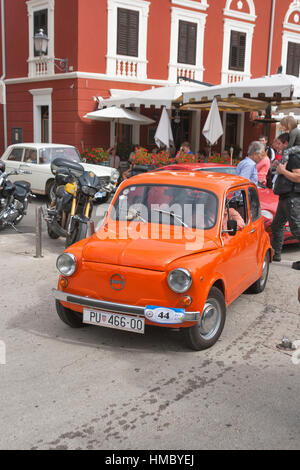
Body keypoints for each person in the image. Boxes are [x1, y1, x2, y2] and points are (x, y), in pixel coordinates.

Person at [271, 135, 300, 264]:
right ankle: (276, 254)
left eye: (278, 143)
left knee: (297, 229)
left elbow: (298, 177)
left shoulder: (293, 157)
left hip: (291, 197)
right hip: (284, 196)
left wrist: (283, 171)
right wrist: (278, 167)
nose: (276, 146)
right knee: (276, 225)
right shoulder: (286, 157)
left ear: (286, 143)